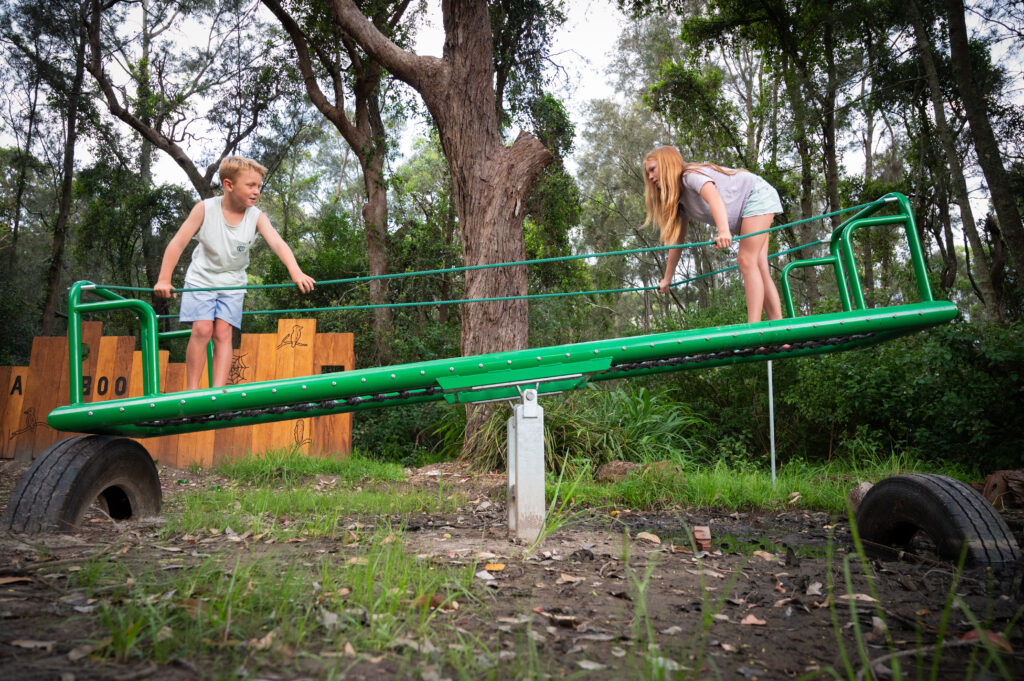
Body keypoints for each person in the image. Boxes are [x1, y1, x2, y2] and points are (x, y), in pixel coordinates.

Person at [154, 156, 315, 390]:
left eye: (258, 186)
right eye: (250, 185)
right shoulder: (205, 209)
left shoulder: (256, 217)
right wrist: (164, 279)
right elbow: (178, 243)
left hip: (233, 282)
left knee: (223, 332)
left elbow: (278, 243)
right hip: (202, 278)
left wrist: (296, 272)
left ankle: (218, 392)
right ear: (228, 185)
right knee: (202, 329)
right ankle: (192, 391)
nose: (256, 191)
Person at [643, 145, 783, 324]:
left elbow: (714, 197)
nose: (650, 177)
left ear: (666, 164)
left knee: (746, 260)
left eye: (652, 170)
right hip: (748, 209)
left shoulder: (690, 176)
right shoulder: (679, 199)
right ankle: (778, 327)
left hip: (755, 195)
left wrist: (723, 231)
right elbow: (677, 241)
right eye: (648, 173)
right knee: (759, 265)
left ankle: (754, 328)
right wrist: (667, 278)